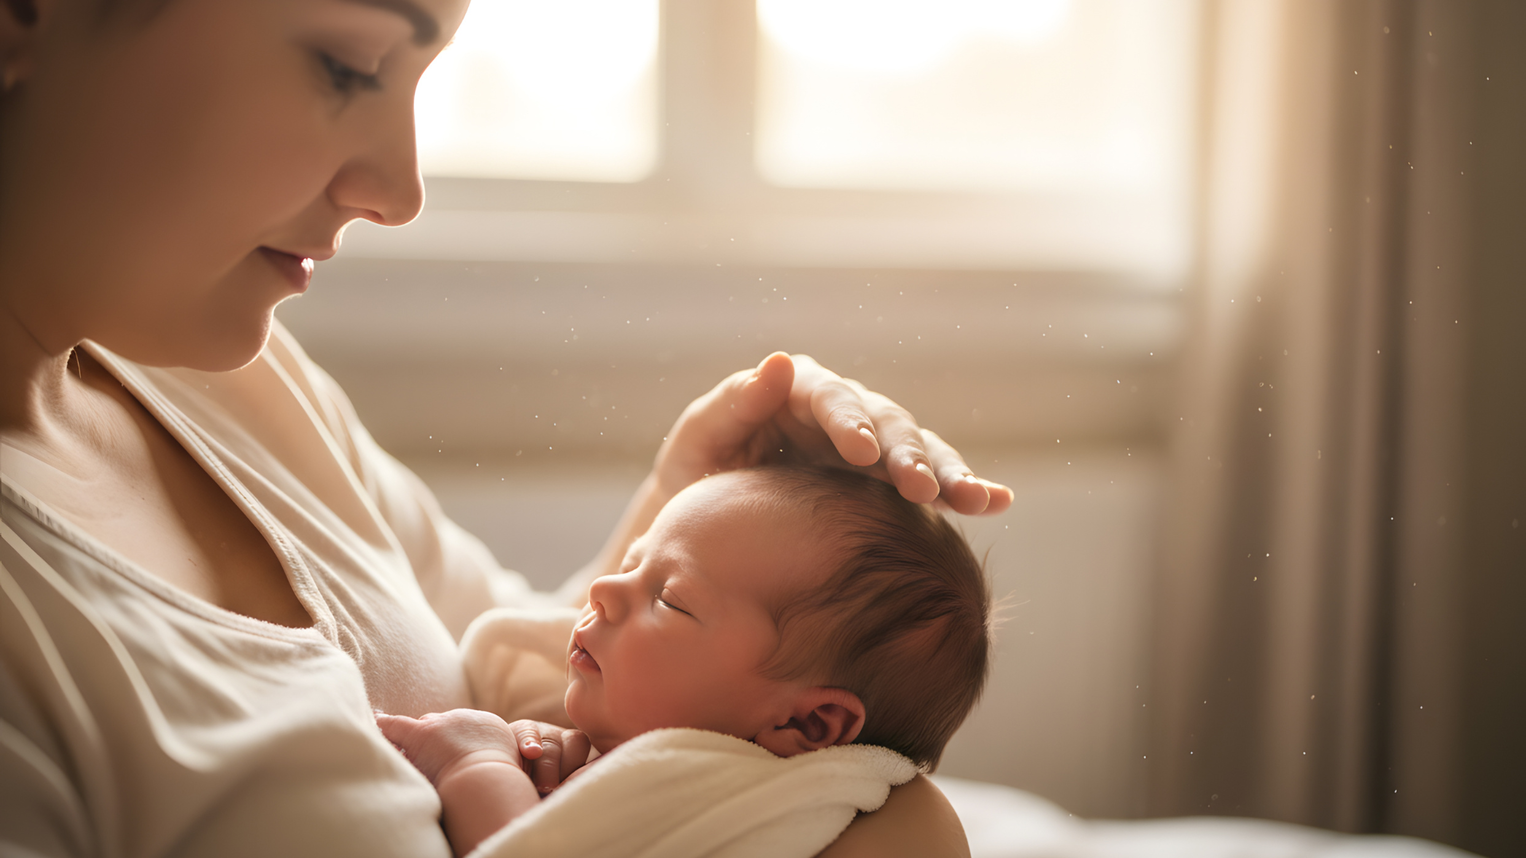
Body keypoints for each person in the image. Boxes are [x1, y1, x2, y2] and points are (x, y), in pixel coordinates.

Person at [0, 1, 1010, 856]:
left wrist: (684, 502)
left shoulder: (236, 382)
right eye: (347, 65)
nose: (398, 193)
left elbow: (502, 663)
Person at [377, 465, 991, 856]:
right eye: (630, 565)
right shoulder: (710, 782)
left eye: (668, 599)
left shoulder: (718, 785)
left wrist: (476, 764)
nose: (603, 591)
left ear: (807, 726)